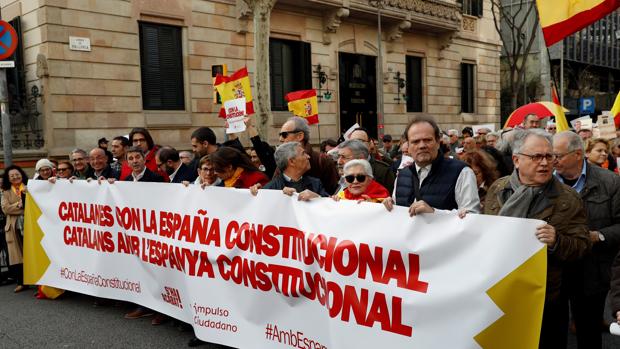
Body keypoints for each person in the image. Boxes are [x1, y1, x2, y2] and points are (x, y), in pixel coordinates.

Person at [485, 129, 590, 349]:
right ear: (516, 160)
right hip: (501, 294)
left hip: (546, 299)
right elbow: (484, 233)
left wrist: (557, 241)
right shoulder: (498, 189)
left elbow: (582, 246)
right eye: (536, 157)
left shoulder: (568, 198)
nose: (544, 163)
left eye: (549, 156)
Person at [553, 131, 620, 349]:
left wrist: (598, 236)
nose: (552, 161)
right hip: (555, 270)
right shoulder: (546, 181)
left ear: (578, 154)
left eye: (558, 156)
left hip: (593, 269)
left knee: (589, 332)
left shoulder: (610, 182)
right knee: (553, 333)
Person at [384, 115, 480, 215]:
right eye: (415, 141)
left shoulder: (461, 172)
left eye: (427, 140)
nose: (422, 146)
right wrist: (390, 206)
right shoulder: (402, 175)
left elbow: (471, 217)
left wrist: (434, 214)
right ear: (408, 146)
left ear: (438, 142)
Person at [279, 117, 339, 193]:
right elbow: (275, 187)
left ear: (300, 136)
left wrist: (317, 198)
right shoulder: (284, 159)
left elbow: (335, 194)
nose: (280, 139)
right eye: (280, 135)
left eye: (284, 135)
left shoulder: (323, 161)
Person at [252, 142, 328, 200]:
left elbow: (330, 206)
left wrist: (317, 197)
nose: (308, 156)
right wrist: (254, 195)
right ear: (291, 161)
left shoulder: (316, 184)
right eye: (303, 153)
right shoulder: (271, 189)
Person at [1, 165, 28, 293]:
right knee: (17, 255)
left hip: (30, 225)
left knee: (31, 252)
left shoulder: (29, 187)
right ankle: (21, 282)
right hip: (13, 227)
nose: (15, 177)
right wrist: (20, 204)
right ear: (8, 178)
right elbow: (5, 209)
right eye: (12, 176)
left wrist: (17, 207)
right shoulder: (5, 192)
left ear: (21, 174)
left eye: (17, 174)